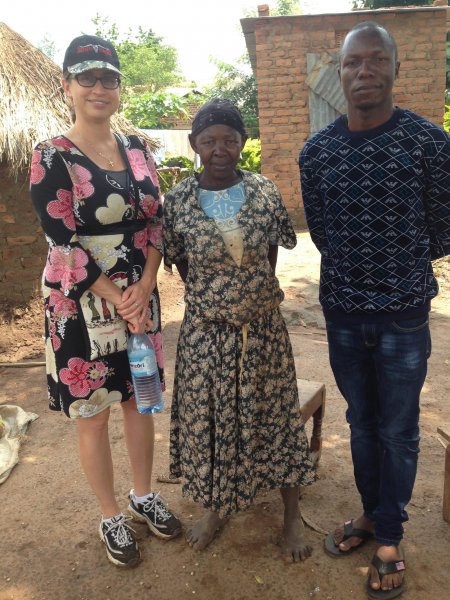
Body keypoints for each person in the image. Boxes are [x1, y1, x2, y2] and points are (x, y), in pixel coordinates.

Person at [299, 21, 450, 599]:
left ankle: (389, 535)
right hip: (342, 314)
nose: (363, 73)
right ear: (340, 74)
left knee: (398, 428)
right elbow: (322, 232)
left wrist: (399, 265)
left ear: (394, 68)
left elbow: (442, 227)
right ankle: (369, 514)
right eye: (352, 63)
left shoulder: (429, 143)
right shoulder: (318, 150)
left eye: (374, 61)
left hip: (404, 315)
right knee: (361, 423)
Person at [30, 34, 181, 568]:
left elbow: (158, 222)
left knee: (140, 400)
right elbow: (61, 244)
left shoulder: (138, 149)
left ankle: (144, 494)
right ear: (67, 86)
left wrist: (145, 285)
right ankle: (112, 514)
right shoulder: (52, 156)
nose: (99, 87)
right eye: (86, 77)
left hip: (140, 297)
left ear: (120, 88)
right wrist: (121, 296)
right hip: (81, 305)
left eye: (109, 79)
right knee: (93, 414)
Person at [163, 99, 315, 561]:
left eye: (230, 138)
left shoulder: (265, 192)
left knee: (278, 416)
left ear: (243, 143)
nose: (220, 148)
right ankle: (216, 508)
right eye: (209, 140)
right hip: (206, 338)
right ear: (194, 145)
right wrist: (220, 304)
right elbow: (185, 265)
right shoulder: (178, 202)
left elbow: (270, 257)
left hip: (264, 334)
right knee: (211, 422)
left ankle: (291, 517)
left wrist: (247, 302)